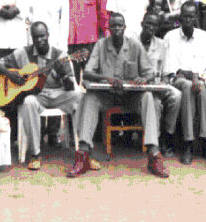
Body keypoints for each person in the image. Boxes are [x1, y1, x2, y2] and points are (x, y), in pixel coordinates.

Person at [68, 13, 170, 178]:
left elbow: (150, 73)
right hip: (107, 95)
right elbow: (87, 73)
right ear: (108, 28)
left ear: (125, 28)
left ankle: (153, 154)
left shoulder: (134, 46)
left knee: (148, 97)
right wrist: (106, 78)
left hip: (130, 96)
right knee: (90, 98)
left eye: (119, 26)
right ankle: (84, 153)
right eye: (113, 26)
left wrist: (142, 79)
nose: (116, 29)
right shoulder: (101, 45)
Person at [0, 22, 80, 171]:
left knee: (79, 96)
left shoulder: (60, 55)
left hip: (58, 94)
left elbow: (71, 86)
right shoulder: (23, 53)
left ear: (48, 35)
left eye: (42, 36)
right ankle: (35, 154)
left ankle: (84, 151)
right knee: (28, 102)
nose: (39, 40)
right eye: (35, 37)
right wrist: (10, 75)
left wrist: (64, 75)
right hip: (37, 96)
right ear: (31, 38)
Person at [163, 1, 206, 164]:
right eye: (185, 16)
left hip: (199, 79)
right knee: (187, 86)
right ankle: (188, 143)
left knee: (200, 88)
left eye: (191, 16)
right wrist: (188, 75)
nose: (188, 20)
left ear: (196, 18)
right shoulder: (170, 37)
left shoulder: (204, 37)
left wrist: (197, 76)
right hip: (177, 80)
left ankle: (205, 142)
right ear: (180, 17)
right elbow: (169, 70)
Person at [139, 11, 183, 157]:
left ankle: (168, 134)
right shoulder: (132, 42)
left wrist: (161, 81)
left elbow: (165, 72)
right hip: (137, 87)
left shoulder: (161, 45)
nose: (151, 28)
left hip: (156, 84)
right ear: (142, 24)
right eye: (148, 24)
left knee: (176, 95)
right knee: (154, 102)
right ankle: (155, 141)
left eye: (154, 25)